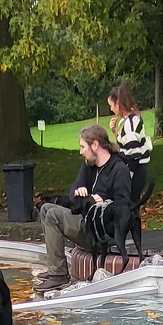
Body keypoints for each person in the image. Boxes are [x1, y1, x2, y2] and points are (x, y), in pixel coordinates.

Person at [33, 124, 135, 293]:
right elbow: (73, 196)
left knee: (53, 215)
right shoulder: (89, 166)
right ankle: (55, 269)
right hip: (86, 221)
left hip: (104, 231)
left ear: (95, 145)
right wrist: (82, 194)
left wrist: (105, 204)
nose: (80, 152)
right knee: (45, 208)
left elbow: (124, 208)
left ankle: (59, 276)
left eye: (82, 147)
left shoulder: (119, 170)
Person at [107, 82, 153, 203]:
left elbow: (134, 155)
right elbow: (127, 145)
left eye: (111, 105)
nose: (111, 109)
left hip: (136, 171)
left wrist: (127, 177)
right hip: (137, 169)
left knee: (130, 204)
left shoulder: (130, 123)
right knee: (132, 204)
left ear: (118, 103)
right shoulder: (130, 119)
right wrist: (115, 132)